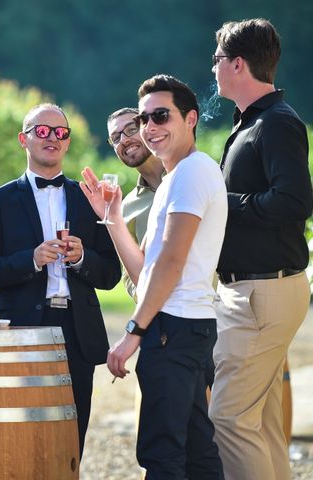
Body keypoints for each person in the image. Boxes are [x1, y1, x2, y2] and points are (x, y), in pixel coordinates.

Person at [81, 75, 226, 478]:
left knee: (161, 455)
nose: (149, 127)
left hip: (174, 328)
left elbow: (170, 264)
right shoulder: (174, 179)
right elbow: (146, 268)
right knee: (197, 451)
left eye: (160, 115)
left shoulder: (191, 174)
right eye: (145, 118)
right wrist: (111, 219)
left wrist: (134, 331)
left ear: (191, 118)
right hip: (183, 326)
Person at [0, 103, 121, 456]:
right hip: (21, 331)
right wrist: (31, 260)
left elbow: (111, 273)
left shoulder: (88, 200)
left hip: (77, 330)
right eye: (42, 131)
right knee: (19, 438)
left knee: (72, 437)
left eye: (60, 132)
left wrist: (82, 258)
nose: (52, 137)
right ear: (24, 139)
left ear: (67, 143)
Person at [208, 19, 313, 480]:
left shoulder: (275, 124)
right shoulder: (258, 122)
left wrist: (223, 204)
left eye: (217, 60)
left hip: (261, 293)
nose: (212, 69)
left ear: (236, 64)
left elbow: (295, 201)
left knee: (228, 419)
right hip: (258, 292)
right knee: (264, 426)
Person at [106, 107, 164, 299]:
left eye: (131, 129)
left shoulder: (188, 175)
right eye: (115, 138)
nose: (123, 140)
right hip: (158, 316)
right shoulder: (126, 207)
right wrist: (148, 299)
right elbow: (128, 275)